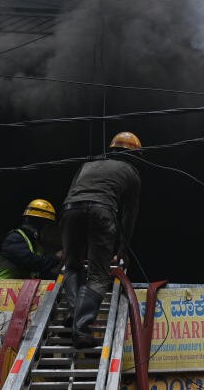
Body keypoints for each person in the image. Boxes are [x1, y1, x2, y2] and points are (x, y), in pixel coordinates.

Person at [61, 131, 142, 347]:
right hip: (102, 210)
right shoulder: (132, 172)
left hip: (70, 209)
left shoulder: (88, 165)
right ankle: (82, 329)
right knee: (99, 275)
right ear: (133, 155)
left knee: (72, 266)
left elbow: (71, 192)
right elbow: (129, 215)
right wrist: (123, 247)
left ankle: (74, 313)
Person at [0, 199, 62, 280]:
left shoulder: (35, 244)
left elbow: (41, 272)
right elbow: (31, 263)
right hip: (1, 288)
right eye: (47, 223)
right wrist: (57, 258)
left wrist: (61, 280)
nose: (49, 228)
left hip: (20, 290)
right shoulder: (14, 239)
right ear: (40, 223)